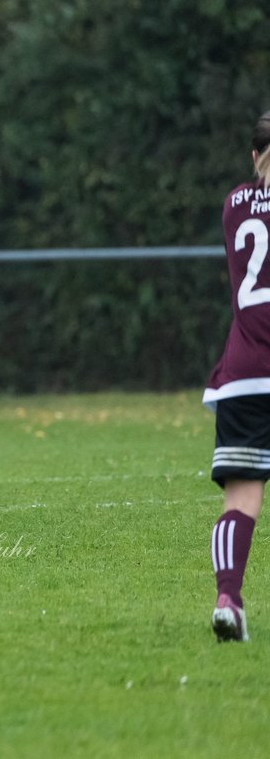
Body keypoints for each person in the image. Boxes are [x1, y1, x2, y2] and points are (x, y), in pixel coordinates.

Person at [202, 109, 270, 642]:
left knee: (241, 496)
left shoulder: (233, 204)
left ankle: (228, 598)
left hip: (244, 374)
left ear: (254, 155)